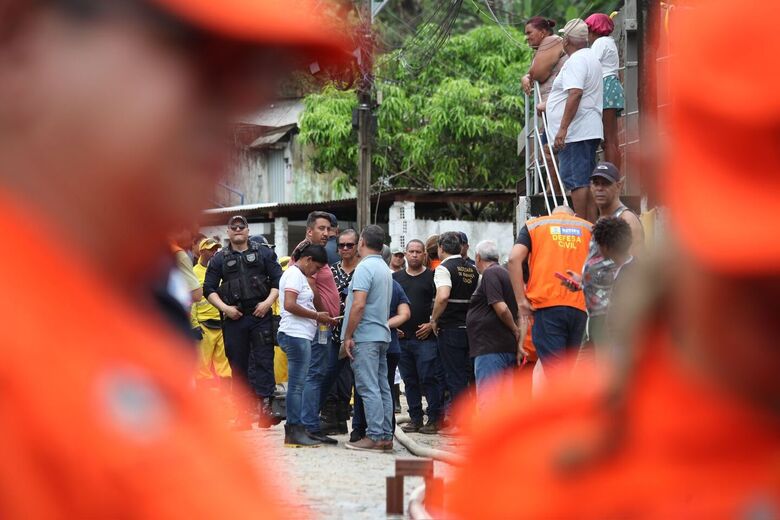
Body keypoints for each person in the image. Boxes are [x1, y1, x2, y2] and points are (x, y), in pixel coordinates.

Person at [0, 0, 345, 515]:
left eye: (252, 71)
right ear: (21, 41)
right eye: (192, 49)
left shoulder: (125, 320)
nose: (234, 104)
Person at [436, 2, 780, 516]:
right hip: (571, 313)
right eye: (749, 275)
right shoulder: (533, 453)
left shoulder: (531, 454)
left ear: (646, 168)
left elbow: (519, 262)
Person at [204, 215, 283, 430]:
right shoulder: (219, 258)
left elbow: (278, 280)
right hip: (234, 317)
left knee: (264, 360)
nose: (238, 229)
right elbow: (208, 289)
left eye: (242, 226)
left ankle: (266, 409)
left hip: (260, 315)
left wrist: (267, 303)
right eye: (234, 227)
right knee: (237, 365)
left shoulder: (263, 253)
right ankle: (243, 413)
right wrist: (226, 309)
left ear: (248, 230)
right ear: (228, 232)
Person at [509, 206, 592, 369]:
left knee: (555, 372)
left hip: (547, 307)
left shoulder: (536, 226)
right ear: (574, 215)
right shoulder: (588, 227)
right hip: (581, 308)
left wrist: (521, 301)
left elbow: (513, 259)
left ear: (550, 214)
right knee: (573, 371)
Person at [540, 18, 603, 222]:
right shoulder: (590, 57)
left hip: (577, 131)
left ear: (566, 40)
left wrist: (562, 130)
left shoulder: (576, 61)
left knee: (577, 181)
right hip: (586, 128)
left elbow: (575, 93)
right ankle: (590, 226)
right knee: (584, 180)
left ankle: (583, 225)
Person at [342, 225, 394, 452]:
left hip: (365, 336)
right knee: (382, 386)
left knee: (368, 386)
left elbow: (359, 304)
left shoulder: (364, 268)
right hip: (381, 334)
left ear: (361, 242)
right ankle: (385, 435)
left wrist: (348, 335)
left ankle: (374, 435)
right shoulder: (384, 267)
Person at [277, 244, 335, 447]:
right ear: (308, 259)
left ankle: (298, 428)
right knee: (297, 386)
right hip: (295, 334)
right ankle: (293, 429)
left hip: (300, 334)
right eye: (316, 268)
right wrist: (316, 315)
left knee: (298, 384)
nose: (316, 272)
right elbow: (290, 305)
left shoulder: (299, 276)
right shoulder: (293, 274)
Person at [293, 211, 342, 444]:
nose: (326, 233)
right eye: (321, 229)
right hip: (317, 326)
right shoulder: (305, 255)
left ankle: (308, 422)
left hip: (323, 326)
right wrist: (323, 315)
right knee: (314, 374)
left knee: (320, 373)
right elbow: (311, 289)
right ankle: (309, 426)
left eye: (328, 229)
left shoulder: (317, 254)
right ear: (309, 231)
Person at [562, 217, 634, 362]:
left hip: (611, 334)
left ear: (605, 248)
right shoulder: (620, 267)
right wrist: (582, 282)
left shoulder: (630, 274)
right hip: (597, 326)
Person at [351, 276, 410, 442]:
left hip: (369, 342)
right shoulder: (395, 284)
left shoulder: (363, 282)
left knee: (365, 388)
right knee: (386, 389)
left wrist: (348, 334)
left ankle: (364, 431)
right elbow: (405, 314)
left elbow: (355, 307)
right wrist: (386, 325)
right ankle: (386, 433)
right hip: (389, 344)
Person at [395, 239, 445, 434]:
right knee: (409, 380)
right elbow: (390, 303)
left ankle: (434, 419)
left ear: (424, 254)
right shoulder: (396, 278)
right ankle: (415, 418)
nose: (414, 255)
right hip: (403, 338)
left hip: (426, 339)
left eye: (418, 251)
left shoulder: (433, 277)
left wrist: (432, 323)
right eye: (411, 251)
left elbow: (440, 303)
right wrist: (394, 324)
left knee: (429, 378)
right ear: (406, 254)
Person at [466, 240, 521, 412]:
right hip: (503, 347)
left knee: (488, 402)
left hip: (490, 349)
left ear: (478, 257)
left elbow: (501, 308)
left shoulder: (490, 274)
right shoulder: (505, 273)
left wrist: (514, 329)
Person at [431, 231, 479, 420]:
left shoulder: (444, 269)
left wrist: (434, 319)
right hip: (472, 330)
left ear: (441, 248)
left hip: (450, 330)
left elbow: (443, 296)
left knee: (455, 377)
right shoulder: (473, 269)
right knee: (471, 376)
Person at [321, 228, 360, 436]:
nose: (345, 249)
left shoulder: (363, 269)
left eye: (349, 245)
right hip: (332, 331)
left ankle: (347, 419)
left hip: (357, 333)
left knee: (351, 379)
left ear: (357, 246)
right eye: (341, 245)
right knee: (330, 375)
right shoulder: (331, 270)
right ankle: (330, 420)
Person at [192, 238, 232, 388]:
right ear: (202, 252)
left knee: (225, 365)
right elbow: (191, 301)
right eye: (211, 249)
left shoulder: (220, 271)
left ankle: (226, 401)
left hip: (222, 323)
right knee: (202, 367)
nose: (214, 252)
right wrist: (194, 324)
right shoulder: (194, 273)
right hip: (204, 325)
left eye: (216, 249)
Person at [585, 13, 624, 168]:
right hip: (612, 87)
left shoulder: (600, 43)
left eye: (588, 30)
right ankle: (614, 176)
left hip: (606, 87)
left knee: (609, 139)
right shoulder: (609, 42)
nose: (586, 35)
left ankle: (610, 177)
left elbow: (589, 64)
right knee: (612, 139)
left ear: (595, 29)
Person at [590, 162, 644, 257]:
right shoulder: (603, 217)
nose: (599, 188)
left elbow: (634, 264)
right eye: (596, 183)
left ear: (618, 186)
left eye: (605, 184)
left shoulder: (626, 219)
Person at [522, 16, 568, 103]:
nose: (527, 37)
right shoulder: (544, 46)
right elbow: (533, 74)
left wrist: (529, 76)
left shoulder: (551, 41)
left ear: (542, 32)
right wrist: (526, 76)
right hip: (553, 104)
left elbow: (537, 75)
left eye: (529, 33)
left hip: (557, 103)